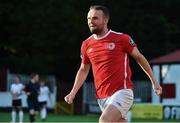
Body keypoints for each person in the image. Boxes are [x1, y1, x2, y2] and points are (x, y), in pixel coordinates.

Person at [64, 5, 162, 122]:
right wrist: (73, 92)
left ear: (105, 20)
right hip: (102, 97)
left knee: (104, 120)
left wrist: (154, 82)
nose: (91, 22)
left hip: (122, 92)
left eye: (95, 18)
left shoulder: (121, 39)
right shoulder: (86, 44)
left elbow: (139, 58)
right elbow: (83, 69)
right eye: (89, 19)